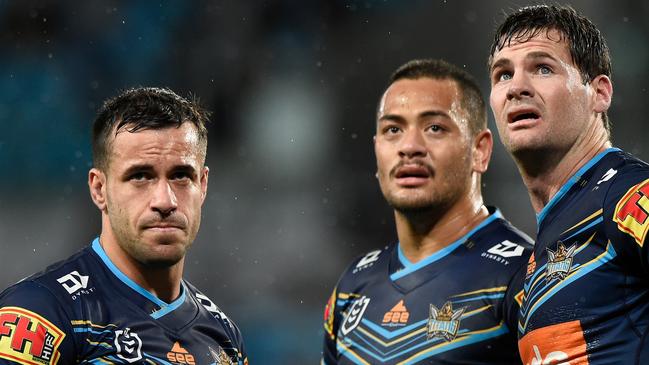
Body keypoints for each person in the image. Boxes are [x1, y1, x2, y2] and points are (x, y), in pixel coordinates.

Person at [0, 87, 248, 365]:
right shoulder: (43, 311)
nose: (165, 201)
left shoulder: (224, 337)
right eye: (140, 176)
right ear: (99, 189)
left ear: (202, 186)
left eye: (181, 176)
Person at [322, 59, 533, 364]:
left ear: (480, 150)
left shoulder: (523, 276)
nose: (409, 146)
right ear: (376, 148)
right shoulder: (352, 287)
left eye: (434, 128)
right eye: (393, 129)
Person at [488, 4, 649, 364]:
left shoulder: (627, 196)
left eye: (543, 68)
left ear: (599, 93)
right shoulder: (539, 255)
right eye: (502, 75)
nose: (516, 88)